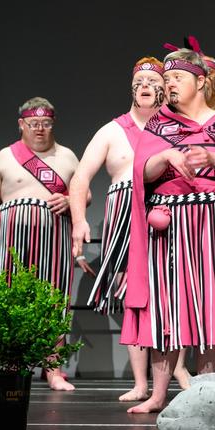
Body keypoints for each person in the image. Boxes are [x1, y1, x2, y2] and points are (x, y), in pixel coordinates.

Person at [123, 48, 215, 413]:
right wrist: (165, 157)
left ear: (200, 81)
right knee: (166, 308)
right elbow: (142, 172)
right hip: (171, 227)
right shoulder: (159, 124)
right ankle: (157, 395)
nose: (168, 84)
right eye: (166, 79)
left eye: (176, 78)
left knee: (214, 305)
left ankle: (206, 392)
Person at [69, 57, 165, 401]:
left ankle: (176, 373)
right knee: (131, 297)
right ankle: (141, 383)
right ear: (131, 87)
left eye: (153, 81)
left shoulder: (173, 128)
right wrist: (79, 220)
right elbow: (80, 178)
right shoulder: (112, 131)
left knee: (170, 295)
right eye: (139, 81)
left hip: (165, 212)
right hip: (124, 217)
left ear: (164, 89)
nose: (145, 87)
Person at [0, 97, 81, 390]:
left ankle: (54, 370)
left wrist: (71, 200)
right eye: (34, 124)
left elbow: (84, 198)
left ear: (52, 124)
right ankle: (10, 365)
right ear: (22, 124)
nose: (40, 129)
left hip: (54, 240)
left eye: (46, 123)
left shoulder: (68, 156)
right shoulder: (5, 156)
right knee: (10, 298)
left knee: (55, 300)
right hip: (11, 242)